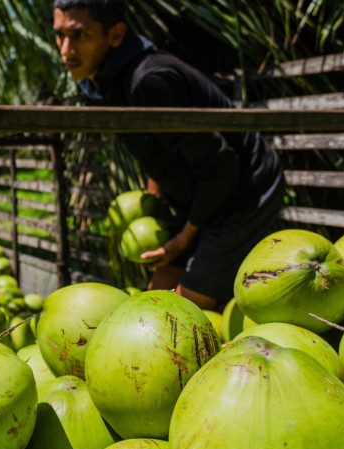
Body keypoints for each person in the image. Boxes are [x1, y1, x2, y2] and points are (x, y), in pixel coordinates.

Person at [52, 0, 286, 311]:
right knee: (156, 298)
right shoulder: (105, 83)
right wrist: (157, 212)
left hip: (245, 190)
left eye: (80, 35)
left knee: (186, 311)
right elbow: (159, 148)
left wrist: (184, 239)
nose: (65, 49)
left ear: (116, 35)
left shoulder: (150, 81)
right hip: (204, 195)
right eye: (59, 36)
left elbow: (221, 165)